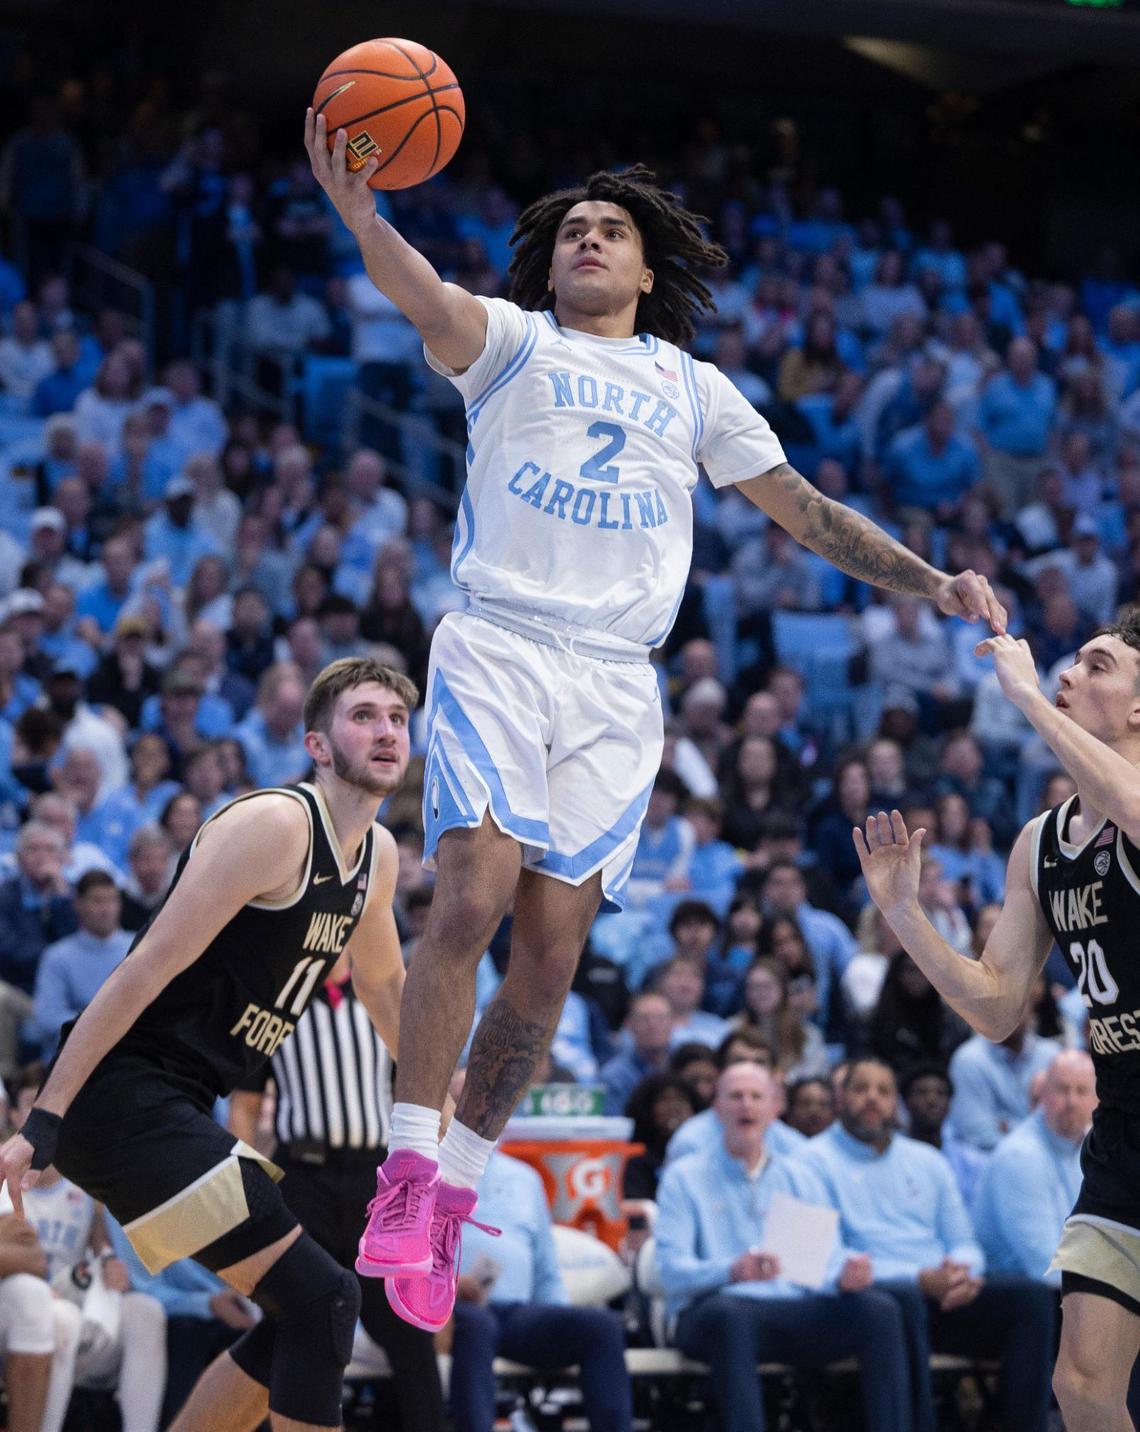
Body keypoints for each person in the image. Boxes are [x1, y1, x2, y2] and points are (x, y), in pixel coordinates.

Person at [306, 112, 1006, 1337]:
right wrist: (367, 217)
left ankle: (459, 1185)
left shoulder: (694, 387)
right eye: (572, 227)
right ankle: (408, 1168)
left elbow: (807, 509)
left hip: (619, 681)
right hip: (502, 643)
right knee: (466, 899)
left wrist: (931, 581)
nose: (586, 237)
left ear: (645, 269)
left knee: (551, 955)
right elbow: (423, 296)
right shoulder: (510, 343)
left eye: (610, 229)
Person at [0, 657, 418, 1432]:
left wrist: (441, 1101)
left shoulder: (378, 859)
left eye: (396, 717)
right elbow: (141, 967)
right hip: (120, 1095)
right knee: (325, 1300)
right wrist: (44, 1119)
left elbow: (384, 989)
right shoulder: (275, 826)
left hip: (175, 1102)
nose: (386, 730)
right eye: (364, 715)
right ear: (317, 745)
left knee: (306, 1315)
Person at [852, 612, 1140, 1432]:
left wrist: (1022, 699)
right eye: (1071, 663)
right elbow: (997, 1007)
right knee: (1082, 1385)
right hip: (1124, 1126)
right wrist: (906, 917)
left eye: (1100, 664)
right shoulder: (1038, 844)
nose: (1070, 673)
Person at [229, 942, 446, 1432]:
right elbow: (245, 1103)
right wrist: (243, 1183)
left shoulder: (385, 992)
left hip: (377, 1182)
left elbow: (413, 1087)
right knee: (295, 1321)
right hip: (301, 1177)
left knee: (406, 1325)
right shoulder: (277, 997)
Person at [801, 1058, 1056, 1432]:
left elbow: (964, 1242)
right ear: (840, 1099)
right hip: (865, 1299)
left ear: (896, 1103)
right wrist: (918, 1278)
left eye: (883, 1091)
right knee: (899, 1301)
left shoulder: (927, 1161)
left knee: (1031, 1298)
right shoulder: (811, 1161)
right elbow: (823, 1258)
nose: (872, 1099)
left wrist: (961, 1272)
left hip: (940, 1295)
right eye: (861, 1089)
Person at [656, 1062, 912, 1432]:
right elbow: (672, 1272)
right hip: (714, 1310)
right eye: (736, 1096)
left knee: (879, 1309)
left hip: (790, 1308)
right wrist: (732, 1269)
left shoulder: (799, 1175)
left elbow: (825, 1258)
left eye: (757, 1097)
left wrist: (844, 1276)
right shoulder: (685, 1177)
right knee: (732, 1317)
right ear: (717, 1108)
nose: (746, 1105)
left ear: (775, 1109)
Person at [973, 1050, 1096, 1283]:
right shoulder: (1020, 1157)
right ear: (1043, 1094)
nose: (1071, 1102)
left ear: (1097, 1100)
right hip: (1017, 1294)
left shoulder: (1093, 1148)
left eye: (1081, 1091)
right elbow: (1047, 1267)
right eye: (1062, 1089)